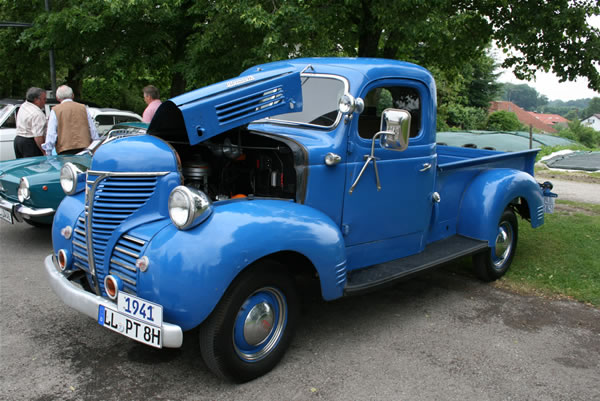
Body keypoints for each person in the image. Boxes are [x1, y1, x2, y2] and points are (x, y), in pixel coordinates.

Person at [43, 85, 99, 155]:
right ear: (73, 95)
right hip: (84, 149)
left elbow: (51, 133)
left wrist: (48, 152)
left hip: (64, 150)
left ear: (57, 98)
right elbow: (92, 129)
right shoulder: (83, 108)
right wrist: (95, 145)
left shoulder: (55, 110)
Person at [14, 87, 47, 158]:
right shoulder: (37, 114)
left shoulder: (24, 106)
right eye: (44, 99)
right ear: (36, 100)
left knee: (22, 164)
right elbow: (38, 136)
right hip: (30, 143)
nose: (45, 101)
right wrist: (44, 151)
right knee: (34, 164)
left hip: (18, 140)